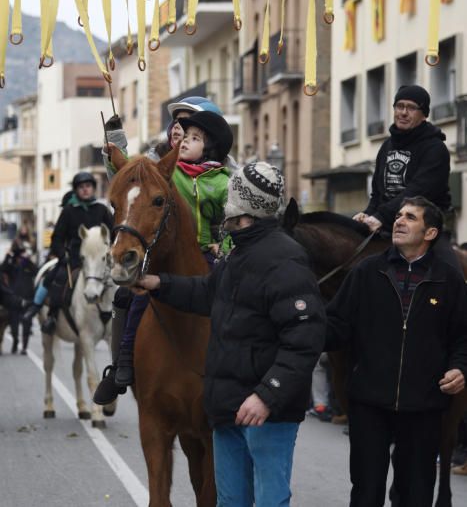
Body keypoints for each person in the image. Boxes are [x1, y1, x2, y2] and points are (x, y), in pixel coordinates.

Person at [134, 161, 326, 507]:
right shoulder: (238, 253)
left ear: (244, 203)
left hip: (266, 413)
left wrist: (267, 395)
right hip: (229, 407)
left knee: (270, 500)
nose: (224, 202)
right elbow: (208, 293)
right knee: (231, 501)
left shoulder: (285, 259)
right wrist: (159, 283)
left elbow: (305, 338)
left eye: (232, 194)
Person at [326, 196, 467, 507]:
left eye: (411, 217)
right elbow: (335, 325)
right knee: (366, 492)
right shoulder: (366, 272)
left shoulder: (449, 279)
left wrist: (460, 368)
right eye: (399, 215)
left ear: (430, 233)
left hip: (424, 405)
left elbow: (462, 337)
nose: (399, 221)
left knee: (416, 495)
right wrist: (301, 323)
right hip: (369, 402)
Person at [93, 110, 233, 405]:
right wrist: (115, 141)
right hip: (163, 253)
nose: (180, 134)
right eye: (178, 127)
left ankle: (238, 367)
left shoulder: (224, 179)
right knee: (131, 297)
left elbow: (235, 218)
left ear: (210, 145)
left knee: (230, 296)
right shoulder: (164, 169)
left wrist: (225, 244)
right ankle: (122, 363)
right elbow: (128, 173)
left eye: (193, 134)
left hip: (208, 254)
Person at [23, 172, 113, 333]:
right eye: (81, 187)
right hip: (74, 258)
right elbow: (57, 237)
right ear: (76, 190)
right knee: (55, 277)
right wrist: (61, 255)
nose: (85, 190)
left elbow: (113, 233)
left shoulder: (102, 209)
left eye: (88, 186)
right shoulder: (69, 211)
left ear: (93, 188)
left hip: (99, 259)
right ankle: (49, 314)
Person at [353, 85, 451, 233]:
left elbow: (417, 192)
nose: (403, 113)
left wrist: (381, 216)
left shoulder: (435, 148)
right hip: (388, 224)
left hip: (426, 228)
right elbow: (377, 194)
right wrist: (368, 214)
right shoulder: (387, 145)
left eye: (411, 108)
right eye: (399, 106)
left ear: (424, 114)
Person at [0, 238, 37, 354]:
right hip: (14, 298)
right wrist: (8, 256)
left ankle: (24, 347)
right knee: (14, 325)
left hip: (27, 297)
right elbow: (2, 270)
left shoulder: (26, 261)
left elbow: (36, 270)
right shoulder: (10, 262)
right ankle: (15, 341)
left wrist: (27, 259)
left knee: (27, 324)